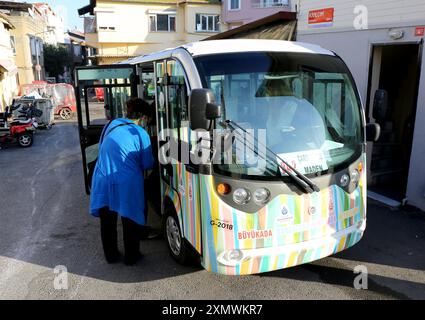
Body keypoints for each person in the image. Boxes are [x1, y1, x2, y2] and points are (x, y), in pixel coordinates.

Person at [90, 98, 155, 265]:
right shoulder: (141, 133)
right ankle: (131, 257)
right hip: (128, 182)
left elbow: (102, 147)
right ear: (143, 117)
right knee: (130, 219)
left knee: (107, 222)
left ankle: (111, 256)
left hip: (103, 178)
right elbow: (147, 163)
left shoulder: (111, 125)